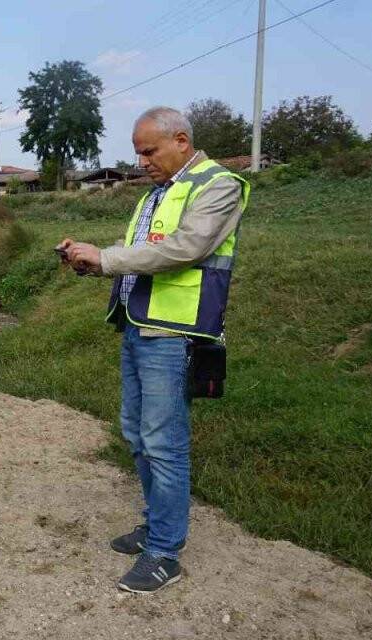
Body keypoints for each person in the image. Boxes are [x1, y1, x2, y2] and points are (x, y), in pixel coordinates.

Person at [58, 106, 249, 593]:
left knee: (164, 443)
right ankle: (154, 525)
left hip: (175, 332)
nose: (142, 160)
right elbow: (140, 252)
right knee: (138, 434)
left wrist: (106, 258)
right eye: (138, 152)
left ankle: (165, 552)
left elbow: (186, 249)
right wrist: (90, 260)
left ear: (181, 141)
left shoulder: (218, 185)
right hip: (138, 326)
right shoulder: (156, 194)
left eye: (150, 150)